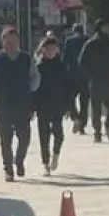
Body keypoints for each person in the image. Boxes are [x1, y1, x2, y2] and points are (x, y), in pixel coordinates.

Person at [0, 26, 39, 181]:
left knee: (24, 137)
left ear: (18, 41)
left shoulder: (26, 58)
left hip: (23, 104)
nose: (11, 44)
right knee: (5, 139)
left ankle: (19, 161)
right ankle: (8, 169)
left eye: (14, 41)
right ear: (2, 42)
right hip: (3, 104)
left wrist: (30, 89)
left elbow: (35, 77)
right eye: (8, 41)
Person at [78, 20, 109, 142]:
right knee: (97, 107)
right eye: (105, 27)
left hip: (106, 78)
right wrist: (90, 74)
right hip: (98, 79)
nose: (107, 29)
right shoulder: (91, 44)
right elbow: (82, 61)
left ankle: (107, 126)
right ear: (99, 28)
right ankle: (98, 131)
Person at [34, 34, 71, 176]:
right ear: (43, 50)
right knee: (44, 136)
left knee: (59, 135)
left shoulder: (61, 67)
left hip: (57, 105)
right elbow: (33, 88)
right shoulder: (39, 67)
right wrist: (32, 106)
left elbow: (67, 87)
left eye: (53, 49)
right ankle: (45, 163)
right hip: (43, 106)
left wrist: (68, 106)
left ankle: (55, 155)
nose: (51, 51)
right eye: (48, 49)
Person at [61, 23, 88, 133]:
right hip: (85, 75)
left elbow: (65, 58)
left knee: (71, 99)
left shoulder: (69, 41)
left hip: (72, 75)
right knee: (84, 101)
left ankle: (75, 117)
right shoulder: (87, 39)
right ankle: (82, 124)